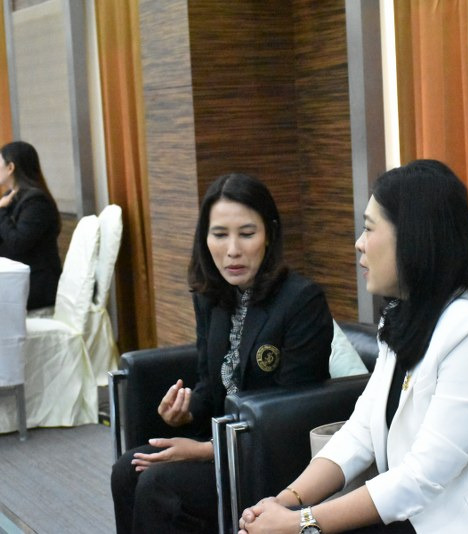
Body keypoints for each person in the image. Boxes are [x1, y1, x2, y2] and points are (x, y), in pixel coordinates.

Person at [238, 160, 468, 534]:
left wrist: (301, 523)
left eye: (369, 228)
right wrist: (285, 502)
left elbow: (423, 474)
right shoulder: (404, 316)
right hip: (417, 516)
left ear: (413, 238)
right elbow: (360, 432)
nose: (359, 243)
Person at [111, 173, 334, 533]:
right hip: (221, 444)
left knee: (159, 485)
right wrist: (185, 412)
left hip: (272, 458)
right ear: (205, 238)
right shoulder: (211, 296)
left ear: (269, 234)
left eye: (246, 234)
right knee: (128, 469)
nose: (232, 250)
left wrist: (203, 450)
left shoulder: (301, 301)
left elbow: (290, 417)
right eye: (219, 234)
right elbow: (210, 386)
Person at [0, 141, 62, 310]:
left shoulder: (36, 202)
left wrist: (1, 212)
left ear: (10, 167)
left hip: (36, 285)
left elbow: (17, 243)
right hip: (17, 280)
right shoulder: (11, 197)